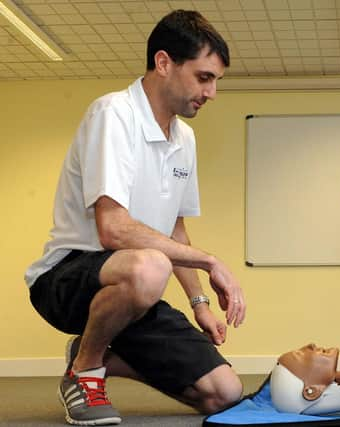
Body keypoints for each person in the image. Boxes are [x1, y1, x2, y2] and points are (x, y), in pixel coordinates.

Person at [25, 10, 246, 426]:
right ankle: (85, 371)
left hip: (133, 289)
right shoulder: (113, 114)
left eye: (215, 80)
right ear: (164, 63)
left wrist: (199, 304)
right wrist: (211, 260)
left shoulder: (184, 137)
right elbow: (113, 229)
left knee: (224, 393)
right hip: (67, 278)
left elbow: (175, 229)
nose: (212, 92)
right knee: (149, 266)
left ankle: (103, 356)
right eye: (204, 77)